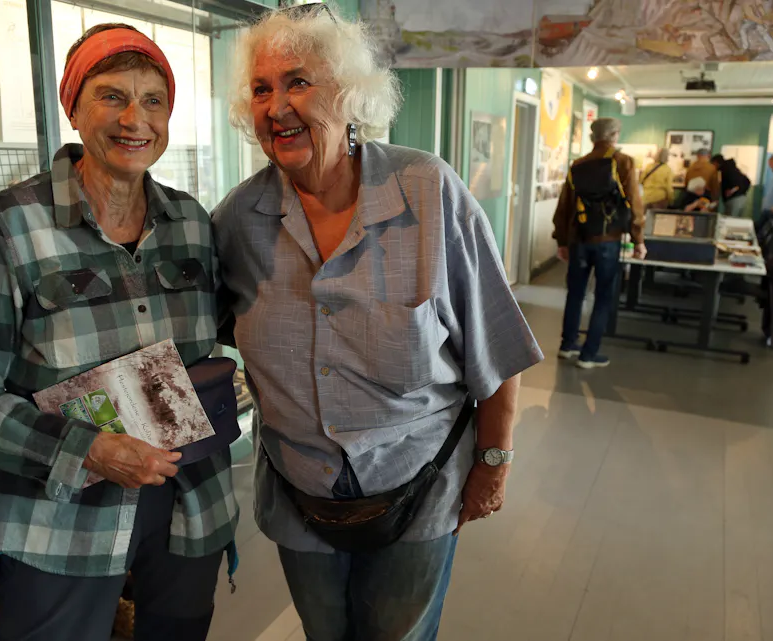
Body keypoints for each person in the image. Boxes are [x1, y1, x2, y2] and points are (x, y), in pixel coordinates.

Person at [213, 6, 543, 640]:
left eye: (298, 81)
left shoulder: (428, 193)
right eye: (261, 89)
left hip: (419, 487)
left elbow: (497, 350)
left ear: (347, 92)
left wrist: (494, 464)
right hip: (297, 491)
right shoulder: (238, 221)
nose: (277, 105)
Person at [0, 24, 238, 641]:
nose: (135, 118)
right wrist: (89, 450)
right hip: (59, 514)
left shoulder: (191, 224)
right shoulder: (11, 226)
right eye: (111, 96)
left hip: (188, 500)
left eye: (154, 99)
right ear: (74, 108)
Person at [554, 117, 646, 369]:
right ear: (615, 135)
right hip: (608, 241)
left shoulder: (578, 165)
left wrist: (562, 240)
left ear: (593, 137)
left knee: (575, 293)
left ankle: (567, 344)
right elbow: (635, 204)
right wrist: (638, 240)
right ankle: (589, 354)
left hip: (579, 240)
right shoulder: (623, 161)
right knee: (603, 296)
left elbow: (565, 206)